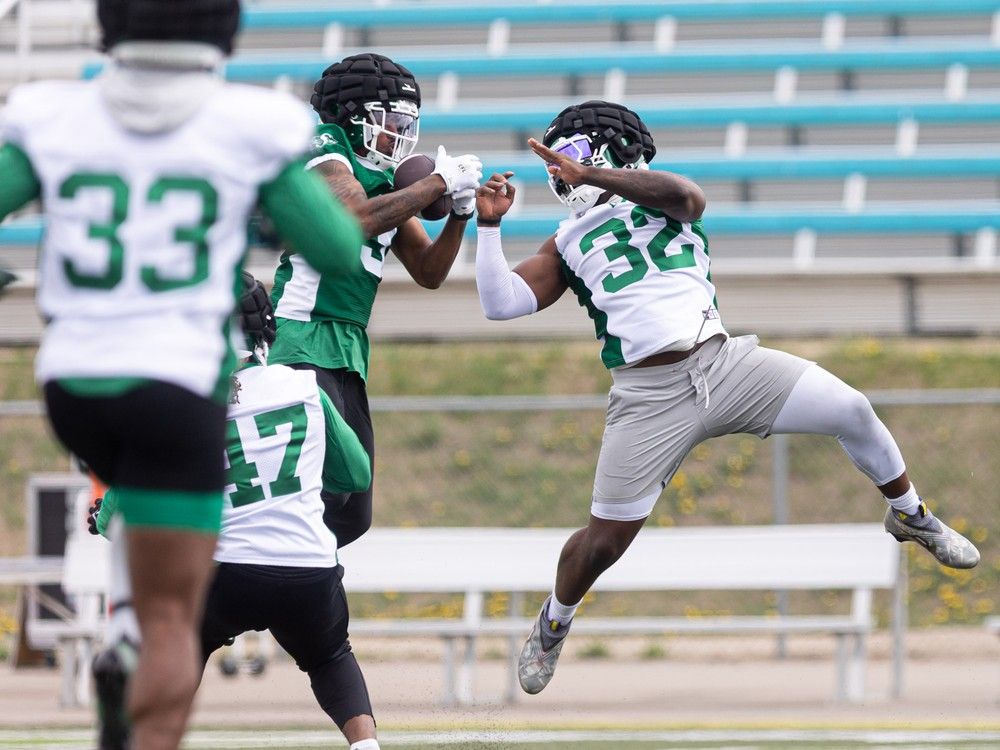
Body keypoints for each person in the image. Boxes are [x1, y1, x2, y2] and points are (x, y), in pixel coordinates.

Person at [471, 99, 981, 696]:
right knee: (603, 543)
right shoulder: (565, 242)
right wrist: (486, 227)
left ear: (608, 151)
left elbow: (689, 197)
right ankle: (554, 623)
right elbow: (500, 303)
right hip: (648, 393)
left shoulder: (661, 198)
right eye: (556, 165)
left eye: (572, 156)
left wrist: (594, 175)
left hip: (725, 362)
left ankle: (911, 515)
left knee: (852, 409)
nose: (559, 172)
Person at [0, 1, 362, 747]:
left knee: (132, 505)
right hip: (177, 385)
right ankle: (139, 645)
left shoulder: (52, 113)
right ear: (224, 27)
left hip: (75, 382)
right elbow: (333, 246)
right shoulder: (247, 122)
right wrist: (254, 206)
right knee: (176, 615)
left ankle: (125, 629)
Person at [90, 273, 380, 750]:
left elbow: (123, 504)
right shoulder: (304, 386)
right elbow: (356, 476)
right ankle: (366, 746)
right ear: (266, 326)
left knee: (176, 646)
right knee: (330, 658)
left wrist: (102, 518)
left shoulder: (181, 400)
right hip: (307, 568)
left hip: (223, 573)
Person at [269, 52, 483, 548]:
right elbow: (352, 219)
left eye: (408, 123)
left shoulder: (382, 185)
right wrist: (435, 183)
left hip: (346, 348)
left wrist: (460, 213)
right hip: (300, 336)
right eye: (391, 121)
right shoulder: (326, 148)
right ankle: (251, 573)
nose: (400, 134)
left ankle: (284, 581)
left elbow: (430, 272)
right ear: (353, 117)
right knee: (320, 492)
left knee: (351, 511)